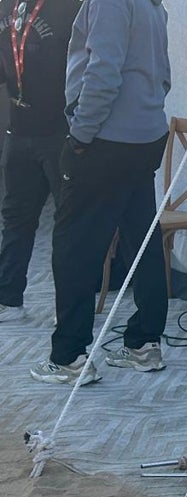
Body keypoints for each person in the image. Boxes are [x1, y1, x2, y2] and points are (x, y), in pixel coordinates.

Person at [31, 0, 171, 384]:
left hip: (105, 139)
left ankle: (69, 357)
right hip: (145, 135)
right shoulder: (152, 4)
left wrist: (80, 133)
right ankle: (145, 343)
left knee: (75, 244)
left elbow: (103, 72)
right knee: (141, 238)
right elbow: (164, 74)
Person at [0, 0, 80, 322]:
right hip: (18, 130)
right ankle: (8, 298)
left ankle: (73, 311)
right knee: (15, 216)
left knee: (70, 223)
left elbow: (88, 65)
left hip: (58, 133)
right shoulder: (6, 5)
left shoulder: (69, 8)